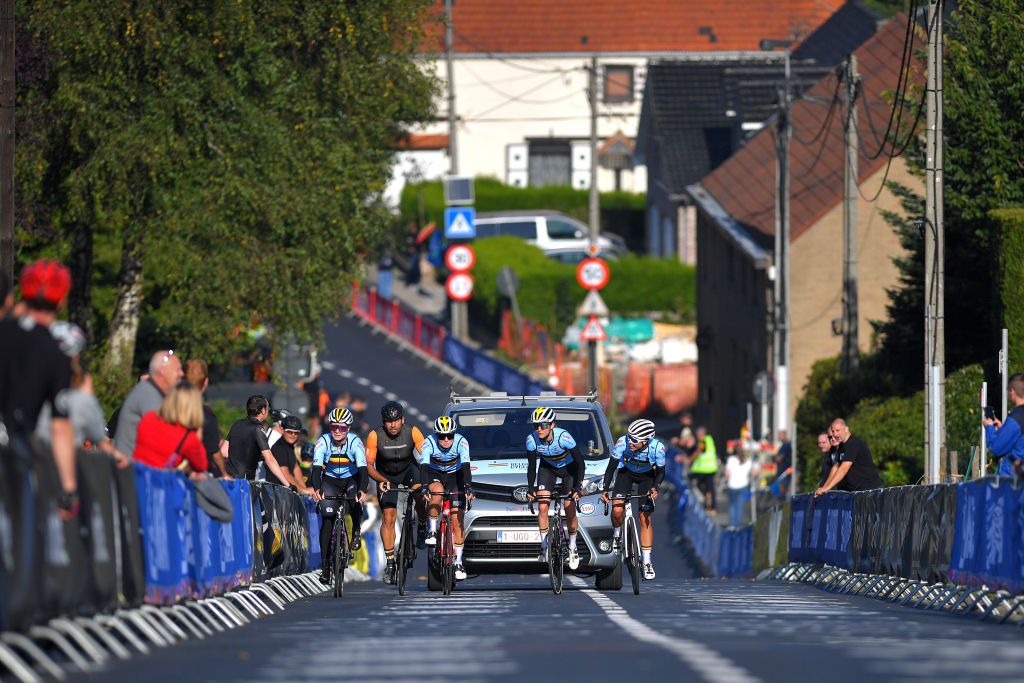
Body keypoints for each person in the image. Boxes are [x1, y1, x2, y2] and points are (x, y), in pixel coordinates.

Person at [0, 260, 77, 517]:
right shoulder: (55, 355)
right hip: (13, 451)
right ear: (62, 299)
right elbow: (60, 427)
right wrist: (67, 490)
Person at [36, 322, 130, 468]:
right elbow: (98, 435)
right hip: (63, 468)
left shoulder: (28, 382)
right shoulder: (79, 391)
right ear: (75, 356)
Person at [366, 400, 426, 584]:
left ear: (403, 419)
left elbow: (426, 456)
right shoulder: (375, 436)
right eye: (388, 421)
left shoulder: (413, 431)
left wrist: (428, 479)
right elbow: (369, 465)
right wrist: (381, 480)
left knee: (419, 491)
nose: (392, 425)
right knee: (388, 517)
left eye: (396, 420)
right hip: (386, 476)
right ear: (383, 422)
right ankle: (390, 562)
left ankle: (422, 524)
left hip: (409, 471)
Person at [601, 419, 665, 581]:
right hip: (626, 473)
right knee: (617, 510)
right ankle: (617, 535)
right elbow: (610, 469)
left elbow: (661, 473)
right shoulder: (622, 443)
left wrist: (655, 488)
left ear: (646, 440)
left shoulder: (657, 448)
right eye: (629, 437)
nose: (630, 441)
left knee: (645, 517)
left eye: (634, 439)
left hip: (647, 477)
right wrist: (605, 490)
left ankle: (647, 562)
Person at [312, 407, 369, 584]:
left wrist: (362, 490)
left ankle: (356, 531)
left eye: (342, 428)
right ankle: (325, 567)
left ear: (349, 429)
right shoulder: (323, 442)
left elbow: (363, 471)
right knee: (327, 517)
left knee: (354, 502)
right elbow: (315, 470)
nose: (337, 431)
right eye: (334, 427)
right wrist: (317, 489)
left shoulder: (355, 443)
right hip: (330, 480)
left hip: (351, 479)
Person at [525, 407, 585, 568]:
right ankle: (544, 546)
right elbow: (531, 466)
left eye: (542, 425)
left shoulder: (564, 437)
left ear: (552, 425)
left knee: (569, 506)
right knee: (543, 506)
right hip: (548, 468)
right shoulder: (531, 440)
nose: (538, 429)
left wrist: (578, 487)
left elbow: (580, 463)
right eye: (535, 425)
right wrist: (531, 488)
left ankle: (572, 547)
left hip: (569, 470)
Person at [419, 415, 473, 581]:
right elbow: (424, 467)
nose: (446, 440)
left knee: (457, 519)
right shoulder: (428, 442)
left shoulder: (461, 442)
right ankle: (432, 531)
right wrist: (424, 487)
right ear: (436, 436)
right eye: (442, 436)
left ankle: (458, 562)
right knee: (436, 494)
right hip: (435, 473)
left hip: (455, 475)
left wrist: (468, 487)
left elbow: (465, 467)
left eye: (450, 435)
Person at [113, 349, 184, 458]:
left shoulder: (154, 393)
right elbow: (164, 437)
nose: (181, 374)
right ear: (163, 371)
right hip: (133, 469)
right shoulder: (147, 394)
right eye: (177, 369)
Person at [132, 383, 208, 473]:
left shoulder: (149, 418)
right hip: (155, 482)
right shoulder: (189, 438)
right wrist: (198, 438)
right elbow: (201, 466)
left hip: (133, 475)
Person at [220, 395, 295, 484]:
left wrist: (242, 456)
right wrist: (287, 484)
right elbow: (269, 459)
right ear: (263, 410)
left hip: (230, 479)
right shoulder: (258, 428)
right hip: (244, 482)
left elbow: (223, 451)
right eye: (268, 408)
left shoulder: (236, 424)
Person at [815, 418, 883, 495]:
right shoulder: (841, 446)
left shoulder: (853, 443)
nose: (835, 434)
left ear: (846, 429)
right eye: (833, 431)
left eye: (838, 430)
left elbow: (843, 468)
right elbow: (836, 467)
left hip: (870, 490)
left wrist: (826, 488)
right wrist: (824, 487)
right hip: (856, 492)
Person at [185, 359, 227, 477]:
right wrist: (224, 473)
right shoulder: (205, 415)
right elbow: (214, 451)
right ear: (206, 382)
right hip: (197, 475)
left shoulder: (168, 410)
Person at [983, 373, 1024, 477]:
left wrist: (989, 427)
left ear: (1012, 392)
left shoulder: (1017, 418)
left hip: (1014, 481)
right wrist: (1003, 429)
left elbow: (996, 447)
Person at [269, 415, 314, 493]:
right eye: (290, 431)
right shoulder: (279, 447)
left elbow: (296, 468)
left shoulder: (290, 446)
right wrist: (303, 490)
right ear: (282, 430)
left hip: (286, 492)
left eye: (296, 433)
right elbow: (285, 473)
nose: (293, 435)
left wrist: (304, 488)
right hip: (276, 493)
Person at [686, 426, 719, 514]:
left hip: (704, 469)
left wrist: (689, 459)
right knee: (708, 488)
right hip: (710, 469)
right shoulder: (709, 439)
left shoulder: (703, 441)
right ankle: (710, 505)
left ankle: (710, 505)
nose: (697, 436)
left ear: (701, 434)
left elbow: (699, 451)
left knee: (690, 479)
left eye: (697, 434)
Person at [725, 447, 754, 527]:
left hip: (732, 485)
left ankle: (732, 525)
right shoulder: (748, 461)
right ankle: (738, 525)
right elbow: (752, 473)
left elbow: (727, 473)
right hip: (743, 485)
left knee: (732, 506)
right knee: (739, 506)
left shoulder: (731, 459)